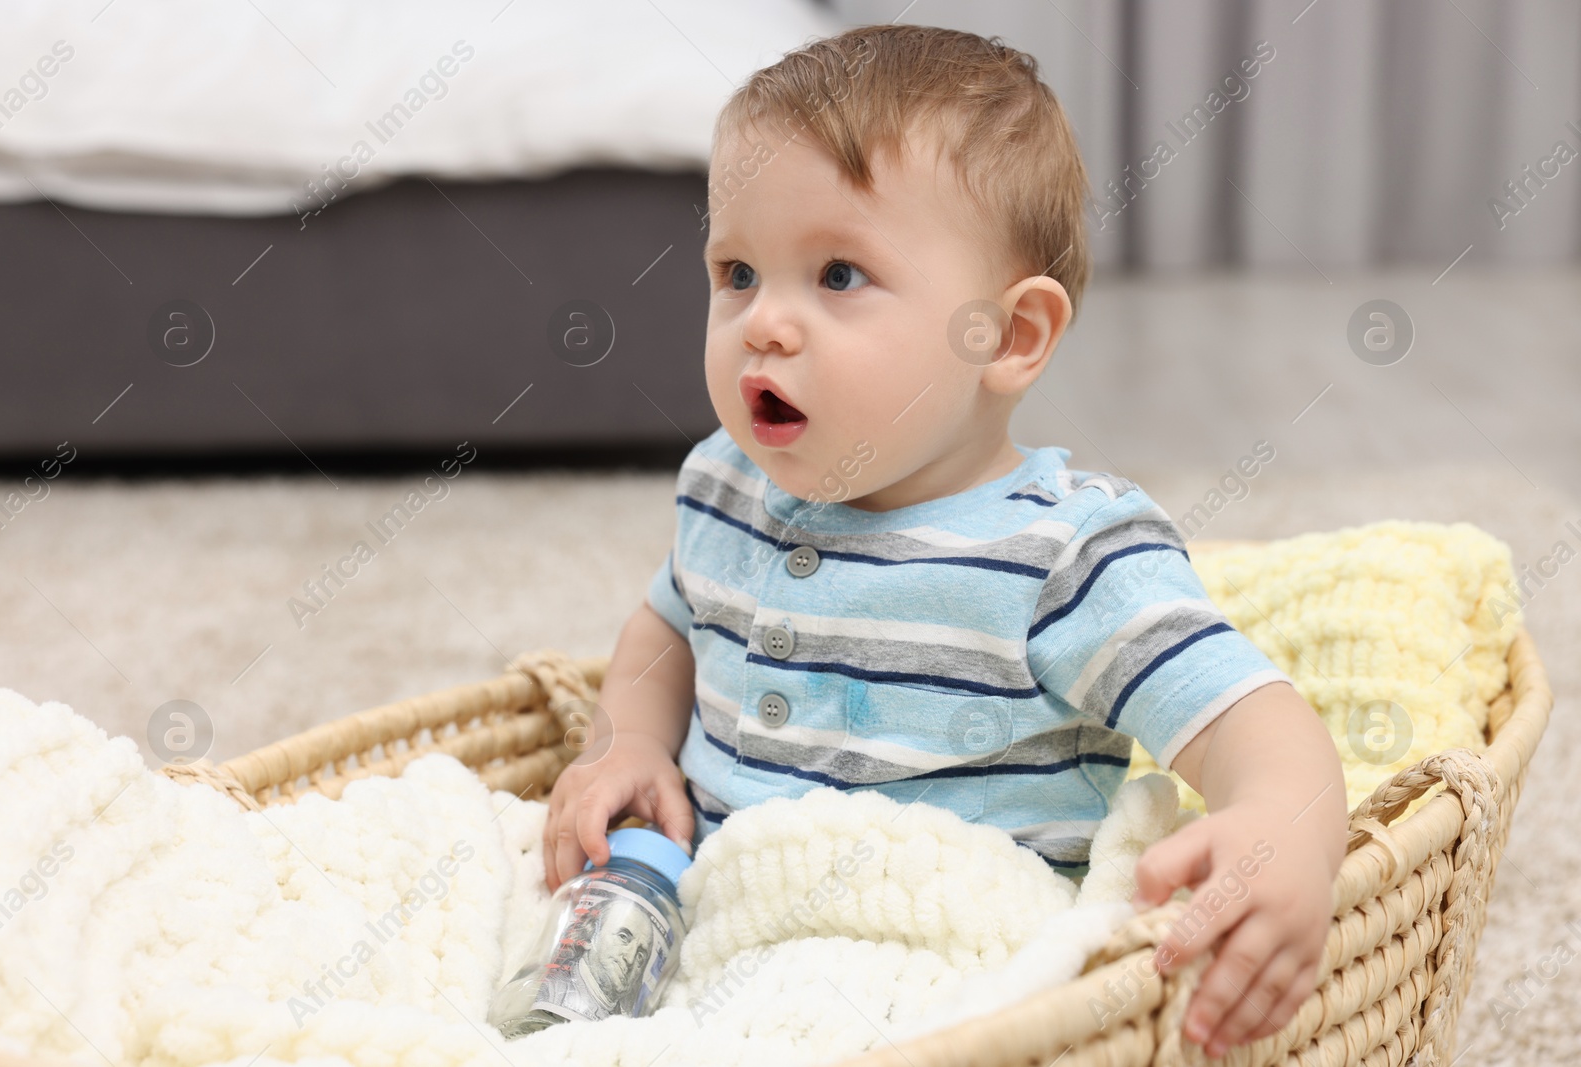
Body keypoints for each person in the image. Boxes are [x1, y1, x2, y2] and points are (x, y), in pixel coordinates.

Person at [542, 23, 1346, 1059]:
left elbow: (1255, 721)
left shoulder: (1063, 555)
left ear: (1006, 338)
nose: (763, 324)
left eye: (837, 275)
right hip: (715, 929)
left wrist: (1282, 827)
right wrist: (632, 741)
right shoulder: (725, 482)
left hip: (947, 966)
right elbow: (666, 625)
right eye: (736, 271)